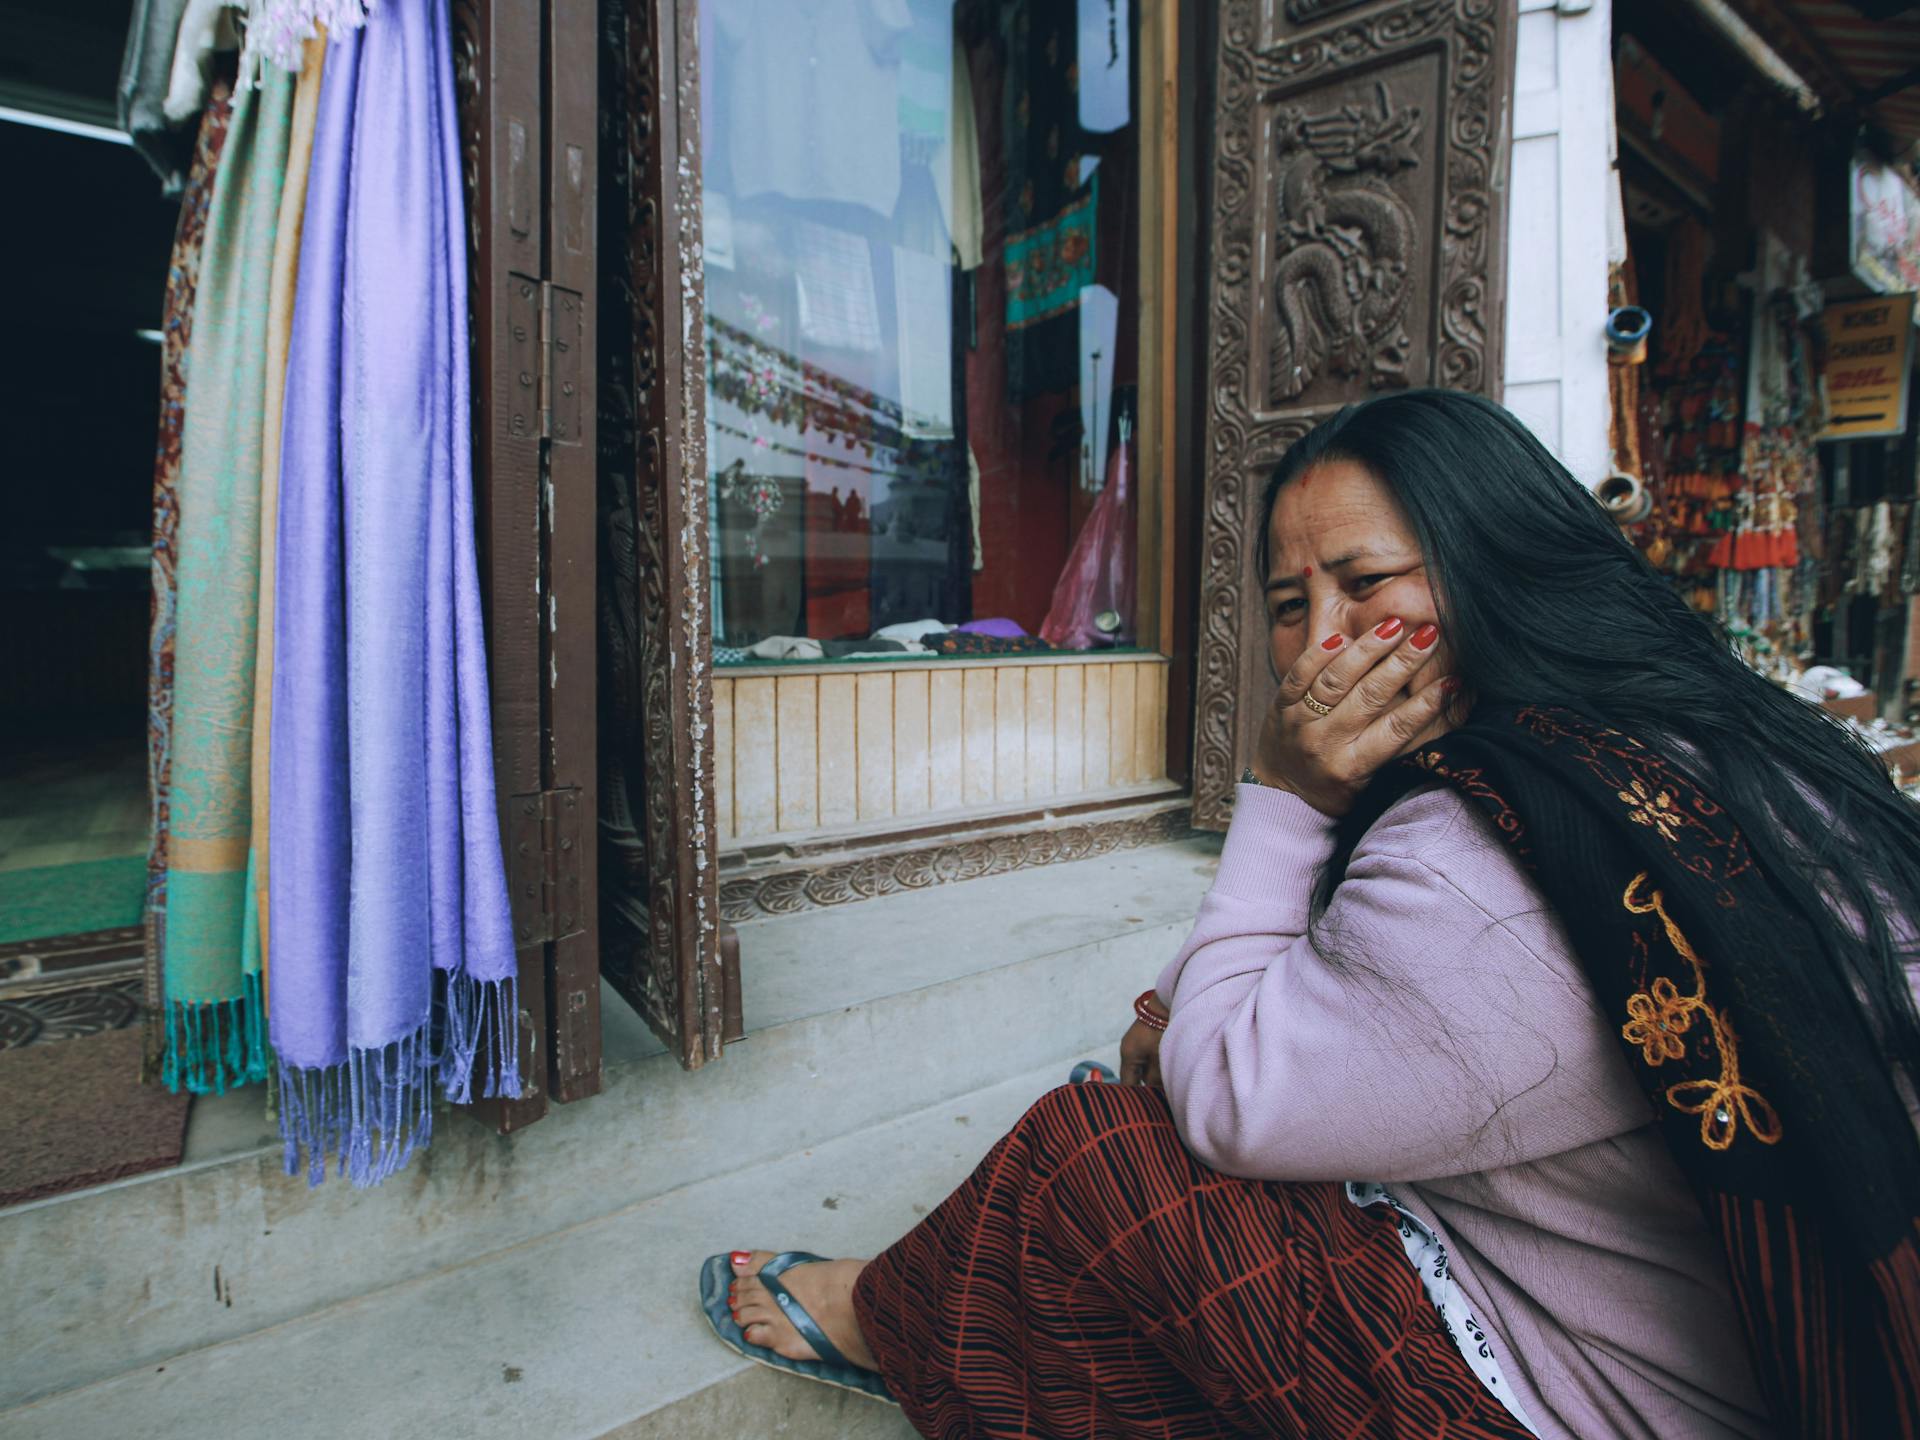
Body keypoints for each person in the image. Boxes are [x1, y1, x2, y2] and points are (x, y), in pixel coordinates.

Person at [701, 389, 1920, 1439]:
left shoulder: (1484, 859)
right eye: (1292, 603)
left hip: (1594, 1403)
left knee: (1089, 1157)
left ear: (1500, 566)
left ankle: (892, 1318)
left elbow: (1231, 1094)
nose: (1322, 644)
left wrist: (1286, 797)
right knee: (1147, 1052)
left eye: (1367, 584)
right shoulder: (1733, 745)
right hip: (1765, 1364)